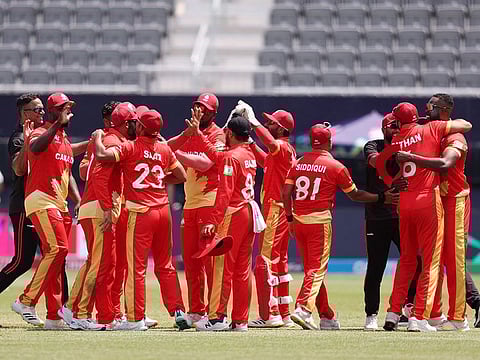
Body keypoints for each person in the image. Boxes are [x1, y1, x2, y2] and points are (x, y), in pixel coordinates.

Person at [282, 123, 398, 330]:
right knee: (317, 270)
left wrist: (289, 218)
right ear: (330, 142)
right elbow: (355, 194)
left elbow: (286, 192)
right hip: (319, 222)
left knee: (311, 270)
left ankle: (326, 315)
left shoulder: (298, 163)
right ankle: (303, 309)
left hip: (298, 221)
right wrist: (383, 197)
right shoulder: (335, 167)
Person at [93, 108, 190, 331]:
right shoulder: (165, 149)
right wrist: (159, 179)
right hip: (163, 211)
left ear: (141, 127)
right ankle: (178, 311)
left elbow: (102, 156)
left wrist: (98, 137)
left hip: (140, 212)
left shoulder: (130, 146)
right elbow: (182, 176)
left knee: (136, 267)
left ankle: (136, 318)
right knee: (165, 265)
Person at [382, 102, 472, 332]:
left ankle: (397, 312)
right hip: (429, 200)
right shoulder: (430, 130)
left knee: (423, 260)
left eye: (430, 105)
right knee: (434, 261)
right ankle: (423, 316)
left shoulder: (404, 136)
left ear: (443, 109)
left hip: (441, 200)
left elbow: (447, 161)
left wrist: (395, 180)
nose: (426, 108)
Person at [11, 92, 87, 328]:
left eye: (69, 108)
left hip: (58, 202)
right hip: (41, 199)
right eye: (63, 108)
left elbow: (67, 170)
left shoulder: (62, 138)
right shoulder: (38, 131)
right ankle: (26, 300)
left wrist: (77, 199)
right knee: (57, 249)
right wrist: (56, 125)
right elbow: (34, 147)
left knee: (57, 257)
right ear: (55, 112)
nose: (68, 112)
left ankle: (54, 315)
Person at [59, 102, 134, 330]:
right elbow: (100, 177)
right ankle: (80, 313)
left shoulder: (105, 140)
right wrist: (108, 208)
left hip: (93, 206)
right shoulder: (112, 142)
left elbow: (87, 172)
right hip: (99, 208)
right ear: (124, 123)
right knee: (99, 265)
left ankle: (72, 308)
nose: (135, 127)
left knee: (96, 262)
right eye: (133, 123)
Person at [195, 114, 264, 332]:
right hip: (248, 212)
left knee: (221, 268)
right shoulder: (247, 154)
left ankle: (216, 318)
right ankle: (240, 320)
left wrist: (212, 221)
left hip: (233, 214)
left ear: (230, 134)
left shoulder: (232, 157)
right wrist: (198, 134)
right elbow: (217, 156)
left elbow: (224, 193)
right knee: (243, 270)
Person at [0, 94, 64, 329]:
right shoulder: (18, 138)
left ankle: (60, 311)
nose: (41, 113)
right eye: (36, 110)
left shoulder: (45, 136)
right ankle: (33, 304)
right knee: (22, 260)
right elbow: (18, 170)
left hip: (44, 203)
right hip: (23, 207)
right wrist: (27, 141)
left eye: (41, 109)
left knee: (57, 254)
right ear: (23, 113)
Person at [167, 93, 226, 328]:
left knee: (209, 262)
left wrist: (177, 154)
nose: (199, 112)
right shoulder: (191, 131)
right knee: (191, 262)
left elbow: (207, 163)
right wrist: (184, 136)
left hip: (209, 201)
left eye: (204, 109)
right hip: (191, 203)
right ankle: (196, 311)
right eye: (196, 107)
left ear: (213, 113)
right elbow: (164, 147)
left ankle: (215, 314)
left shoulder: (218, 134)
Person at [237, 101, 297, 328]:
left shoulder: (281, 147)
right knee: (279, 262)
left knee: (263, 261)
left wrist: (252, 122)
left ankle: (268, 313)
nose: (268, 125)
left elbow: (271, 146)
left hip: (274, 209)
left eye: (272, 123)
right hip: (279, 210)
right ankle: (283, 312)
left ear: (282, 129)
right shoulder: (283, 151)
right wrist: (250, 140)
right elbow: (265, 161)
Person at [362, 113, 420, 331]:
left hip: (402, 215)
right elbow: (375, 161)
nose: (395, 130)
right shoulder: (372, 145)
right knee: (376, 267)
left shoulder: (411, 147)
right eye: (391, 127)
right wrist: (396, 152)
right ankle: (371, 314)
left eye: (399, 127)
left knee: (415, 264)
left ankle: (408, 309)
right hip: (377, 216)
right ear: (383, 128)